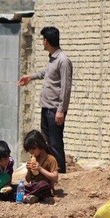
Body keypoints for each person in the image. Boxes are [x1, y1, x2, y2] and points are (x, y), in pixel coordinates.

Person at [18, 26, 72, 174]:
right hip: (46, 107)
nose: (42, 42)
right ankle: (50, 172)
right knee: (46, 143)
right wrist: (30, 77)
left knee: (55, 143)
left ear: (46, 41)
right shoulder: (53, 59)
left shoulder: (63, 60)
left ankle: (59, 174)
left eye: (43, 39)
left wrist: (61, 110)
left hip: (55, 109)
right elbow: (46, 74)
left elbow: (66, 87)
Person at [22, 130, 59, 204]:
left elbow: (55, 178)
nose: (31, 152)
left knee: (43, 184)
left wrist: (40, 169)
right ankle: (34, 197)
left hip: (44, 188)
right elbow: (28, 180)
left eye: (33, 149)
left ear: (39, 145)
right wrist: (29, 170)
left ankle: (29, 195)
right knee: (20, 186)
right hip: (33, 186)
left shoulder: (50, 159)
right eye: (29, 150)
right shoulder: (33, 159)